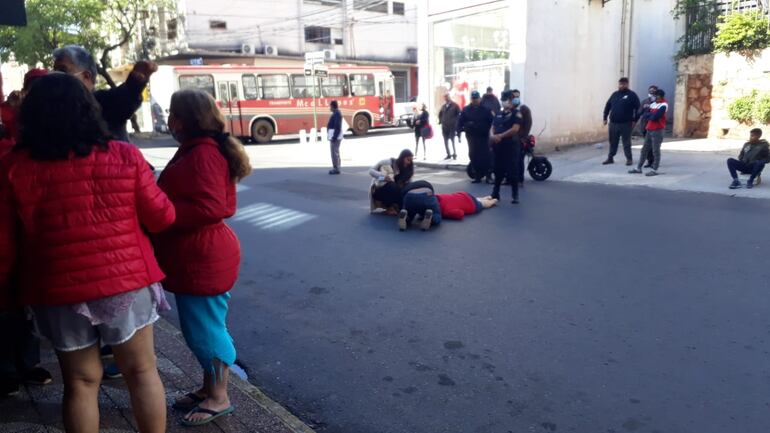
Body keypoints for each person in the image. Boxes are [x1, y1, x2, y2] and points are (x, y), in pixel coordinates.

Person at [0, 73, 175, 433]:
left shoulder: (14, 167)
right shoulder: (124, 156)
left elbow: (6, 243)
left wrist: (9, 295)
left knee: (80, 383)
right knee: (141, 372)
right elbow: (162, 217)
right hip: (125, 283)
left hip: (57, 290)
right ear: (88, 109)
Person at [153, 89, 252, 426]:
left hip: (203, 255)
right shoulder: (200, 149)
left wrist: (161, 210)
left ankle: (219, 396)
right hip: (199, 253)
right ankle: (210, 387)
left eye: (172, 113)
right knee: (201, 326)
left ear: (183, 119)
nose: (169, 120)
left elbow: (209, 206)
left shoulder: (203, 154)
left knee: (204, 330)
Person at [0, 68, 52, 398]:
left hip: (23, 233)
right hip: (10, 233)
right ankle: (8, 369)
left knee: (22, 302)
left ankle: (25, 363)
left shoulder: (19, 136)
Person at [52, 45, 157, 143]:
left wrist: (135, 83)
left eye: (62, 71)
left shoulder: (102, 102)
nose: (55, 76)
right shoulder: (53, 107)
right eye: (54, 71)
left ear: (86, 76)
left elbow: (124, 98)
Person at [490, 90, 523, 204]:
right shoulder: (499, 113)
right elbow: (493, 126)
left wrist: (501, 136)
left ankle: (515, 194)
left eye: (506, 99)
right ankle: (495, 193)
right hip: (499, 146)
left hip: (511, 146)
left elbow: (515, 129)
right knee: (497, 169)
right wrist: (493, 136)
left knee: (512, 170)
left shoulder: (516, 113)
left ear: (511, 100)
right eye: (503, 100)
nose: (504, 102)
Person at [457, 91, 494, 184]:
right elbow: (460, 121)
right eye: (473, 98)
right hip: (471, 137)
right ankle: (478, 175)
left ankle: (488, 176)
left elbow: (492, 122)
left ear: (480, 98)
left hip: (483, 136)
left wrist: (493, 134)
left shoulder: (486, 109)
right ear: (471, 99)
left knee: (485, 156)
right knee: (473, 155)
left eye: (476, 98)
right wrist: (458, 132)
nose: (475, 100)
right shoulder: (466, 109)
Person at [628, 89, 667, 176]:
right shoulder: (653, 104)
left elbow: (655, 117)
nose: (654, 97)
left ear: (660, 97)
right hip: (649, 129)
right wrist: (649, 115)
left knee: (655, 150)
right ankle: (638, 168)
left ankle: (655, 169)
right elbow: (644, 114)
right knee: (644, 149)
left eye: (656, 96)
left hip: (658, 130)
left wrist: (649, 115)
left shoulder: (664, 105)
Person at [603, 77, 641, 166]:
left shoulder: (632, 95)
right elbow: (608, 106)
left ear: (627, 84)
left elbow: (638, 109)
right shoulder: (614, 94)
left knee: (626, 142)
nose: (622, 85)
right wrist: (605, 117)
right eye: (620, 84)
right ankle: (610, 158)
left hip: (626, 123)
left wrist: (635, 120)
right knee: (612, 141)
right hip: (613, 123)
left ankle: (629, 159)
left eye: (624, 84)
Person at [369, 149, 414, 214]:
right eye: (408, 160)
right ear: (402, 158)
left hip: (396, 192)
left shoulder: (408, 169)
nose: (409, 162)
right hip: (380, 190)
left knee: (405, 191)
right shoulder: (388, 162)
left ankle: (400, 208)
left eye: (411, 160)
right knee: (393, 186)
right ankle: (391, 207)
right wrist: (383, 178)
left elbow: (409, 184)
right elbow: (371, 171)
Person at [638, 85, 659, 167]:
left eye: (653, 91)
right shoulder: (645, 102)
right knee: (647, 146)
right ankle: (649, 161)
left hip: (655, 127)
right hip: (645, 126)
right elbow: (639, 112)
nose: (651, 93)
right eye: (650, 91)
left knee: (654, 145)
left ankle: (655, 162)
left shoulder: (659, 103)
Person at [438, 94, 461, 160]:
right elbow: (440, 114)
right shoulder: (443, 106)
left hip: (452, 126)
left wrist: (455, 122)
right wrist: (441, 121)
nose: (446, 99)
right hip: (444, 126)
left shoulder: (455, 105)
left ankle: (454, 153)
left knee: (452, 140)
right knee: (445, 141)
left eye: (447, 97)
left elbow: (459, 114)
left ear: (450, 97)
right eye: (445, 97)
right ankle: (448, 154)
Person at [327, 100, 343, 175]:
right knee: (335, 152)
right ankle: (337, 167)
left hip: (335, 137)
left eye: (330, 106)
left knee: (334, 152)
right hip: (335, 136)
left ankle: (336, 168)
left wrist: (334, 137)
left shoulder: (336, 114)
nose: (329, 107)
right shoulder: (336, 113)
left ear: (333, 106)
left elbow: (337, 126)